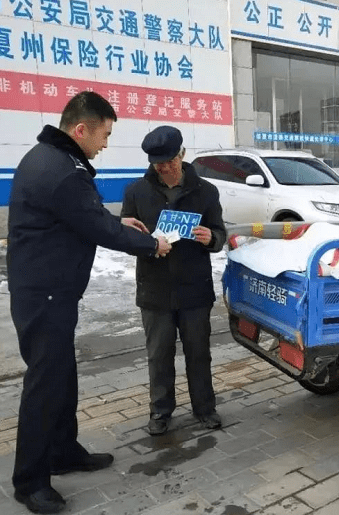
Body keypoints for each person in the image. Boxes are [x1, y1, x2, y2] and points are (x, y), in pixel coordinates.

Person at [7, 91, 171, 514]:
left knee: (62, 375)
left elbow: (84, 216)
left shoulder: (57, 160)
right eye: (104, 135)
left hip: (51, 291)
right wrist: (151, 243)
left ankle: (63, 451)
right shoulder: (59, 169)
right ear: (81, 129)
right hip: (44, 294)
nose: (105, 144)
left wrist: (117, 221)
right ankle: (30, 482)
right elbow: (97, 228)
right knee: (45, 383)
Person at [121, 126, 227, 436]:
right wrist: (140, 239)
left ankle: (205, 408)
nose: (164, 167)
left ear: (181, 154)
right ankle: (160, 412)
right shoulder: (136, 192)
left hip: (194, 288)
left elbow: (220, 233)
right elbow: (128, 237)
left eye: (169, 161)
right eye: (158, 163)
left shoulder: (206, 191)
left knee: (198, 352)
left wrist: (211, 238)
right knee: (158, 355)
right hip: (154, 289)